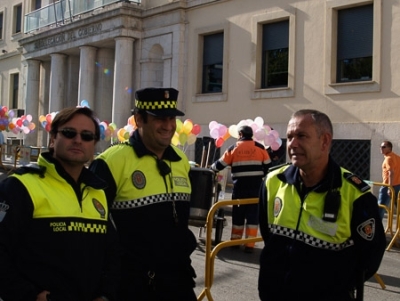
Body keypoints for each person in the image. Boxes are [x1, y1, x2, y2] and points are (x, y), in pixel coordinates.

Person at [258, 109, 386, 301]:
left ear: (325, 141)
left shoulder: (354, 193)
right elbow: (268, 235)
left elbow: (370, 255)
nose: (292, 144)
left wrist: (335, 286)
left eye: (301, 136)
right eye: (290, 136)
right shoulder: (273, 182)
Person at [0, 107, 119, 301]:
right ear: (53, 139)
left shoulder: (98, 193)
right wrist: (28, 295)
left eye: (87, 136)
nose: (78, 140)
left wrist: (106, 294)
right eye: (69, 133)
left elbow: (112, 255)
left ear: (94, 144)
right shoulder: (20, 186)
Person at [89, 87, 197, 301]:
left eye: (171, 119)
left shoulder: (180, 160)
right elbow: (93, 231)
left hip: (178, 281)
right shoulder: (111, 162)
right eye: (160, 119)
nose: (168, 126)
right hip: (131, 286)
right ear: (139, 119)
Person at [211, 125, 271, 253]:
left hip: (240, 189)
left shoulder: (234, 148)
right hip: (256, 189)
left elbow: (219, 165)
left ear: (241, 134)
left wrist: (211, 169)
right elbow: (268, 166)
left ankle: (235, 242)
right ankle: (249, 245)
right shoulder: (260, 148)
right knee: (253, 217)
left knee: (238, 216)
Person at [377, 140, 400, 220]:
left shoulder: (388, 159)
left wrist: (389, 188)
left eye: (383, 147)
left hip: (388, 186)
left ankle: (377, 228)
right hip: (398, 185)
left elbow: (391, 173)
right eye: (380, 147)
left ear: (389, 148)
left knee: (381, 207)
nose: (381, 148)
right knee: (398, 207)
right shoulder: (397, 157)